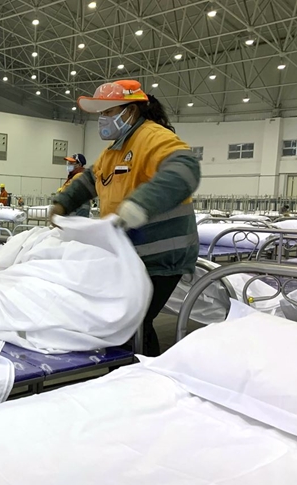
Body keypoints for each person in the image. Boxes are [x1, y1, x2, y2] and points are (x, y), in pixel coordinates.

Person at [51, 79, 201, 356]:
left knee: (133, 322)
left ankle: (145, 379)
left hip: (162, 257)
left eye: (108, 112)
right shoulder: (114, 150)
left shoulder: (154, 137)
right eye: (101, 114)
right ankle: (129, 375)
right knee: (126, 322)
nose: (102, 120)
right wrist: (62, 204)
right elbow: (90, 180)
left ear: (130, 111)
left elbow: (185, 169)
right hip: (131, 254)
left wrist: (141, 204)